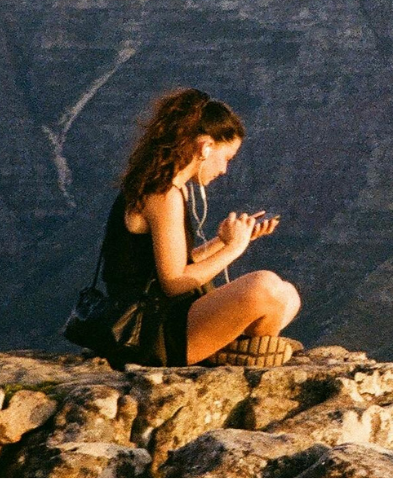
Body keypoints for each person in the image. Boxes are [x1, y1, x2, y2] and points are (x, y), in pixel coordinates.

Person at [100, 87, 302, 369]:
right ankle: (239, 351)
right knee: (265, 286)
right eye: (227, 158)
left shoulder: (170, 189)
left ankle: (233, 348)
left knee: (288, 295)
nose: (224, 170)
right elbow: (173, 283)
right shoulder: (162, 194)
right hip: (148, 333)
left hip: (166, 316)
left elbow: (171, 266)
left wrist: (221, 241)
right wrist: (234, 249)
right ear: (205, 147)